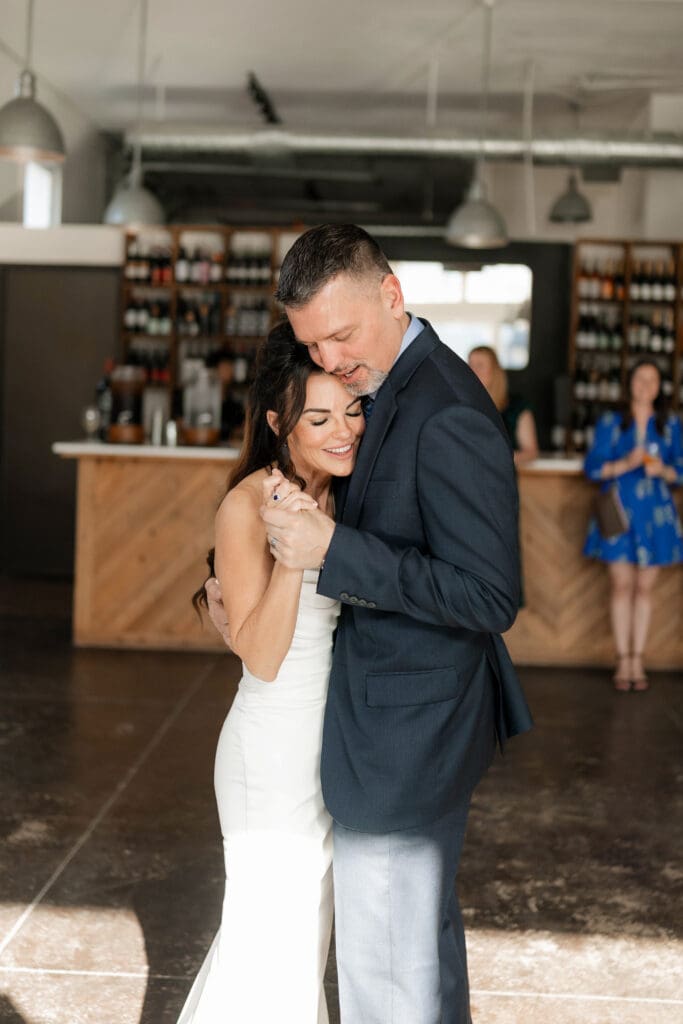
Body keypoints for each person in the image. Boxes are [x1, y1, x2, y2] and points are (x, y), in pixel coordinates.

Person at [206, 224, 532, 1024]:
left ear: (391, 295)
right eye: (312, 345)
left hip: (405, 735)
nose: (329, 358)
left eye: (341, 335)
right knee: (406, 966)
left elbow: (490, 595)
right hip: (360, 728)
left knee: (391, 979)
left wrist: (332, 552)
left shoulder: (444, 407)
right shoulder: (383, 384)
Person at [177, 321, 365, 1024]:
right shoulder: (247, 505)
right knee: (269, 945)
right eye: (319, 418)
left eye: (351, 410)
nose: (343, 430)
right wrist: (293, 553)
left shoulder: (348, 491)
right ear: (279, 423)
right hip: (271, 755)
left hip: (329, 749)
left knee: (300, 945)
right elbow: (259, 655)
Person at [583, 358, 683, 692]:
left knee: (644, 589)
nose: (646, 385)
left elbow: (681, 469)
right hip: (618, 512)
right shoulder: (611, 421)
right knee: (621, 586)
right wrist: (626, 463)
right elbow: (592, 468)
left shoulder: (670, 424)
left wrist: (664, 470)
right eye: (640, 378)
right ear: (630, 383)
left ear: (659, 387)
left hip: (656, 515)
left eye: (653, 380)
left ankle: (638, 659)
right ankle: (622, 659)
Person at [468, 345, 539, 467]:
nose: (473, 370)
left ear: (494, 371)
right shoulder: (462, 405)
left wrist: (494, 459)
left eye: (480, 365)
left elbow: (531, 452)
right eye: (470, 365)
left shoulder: (517, 406)